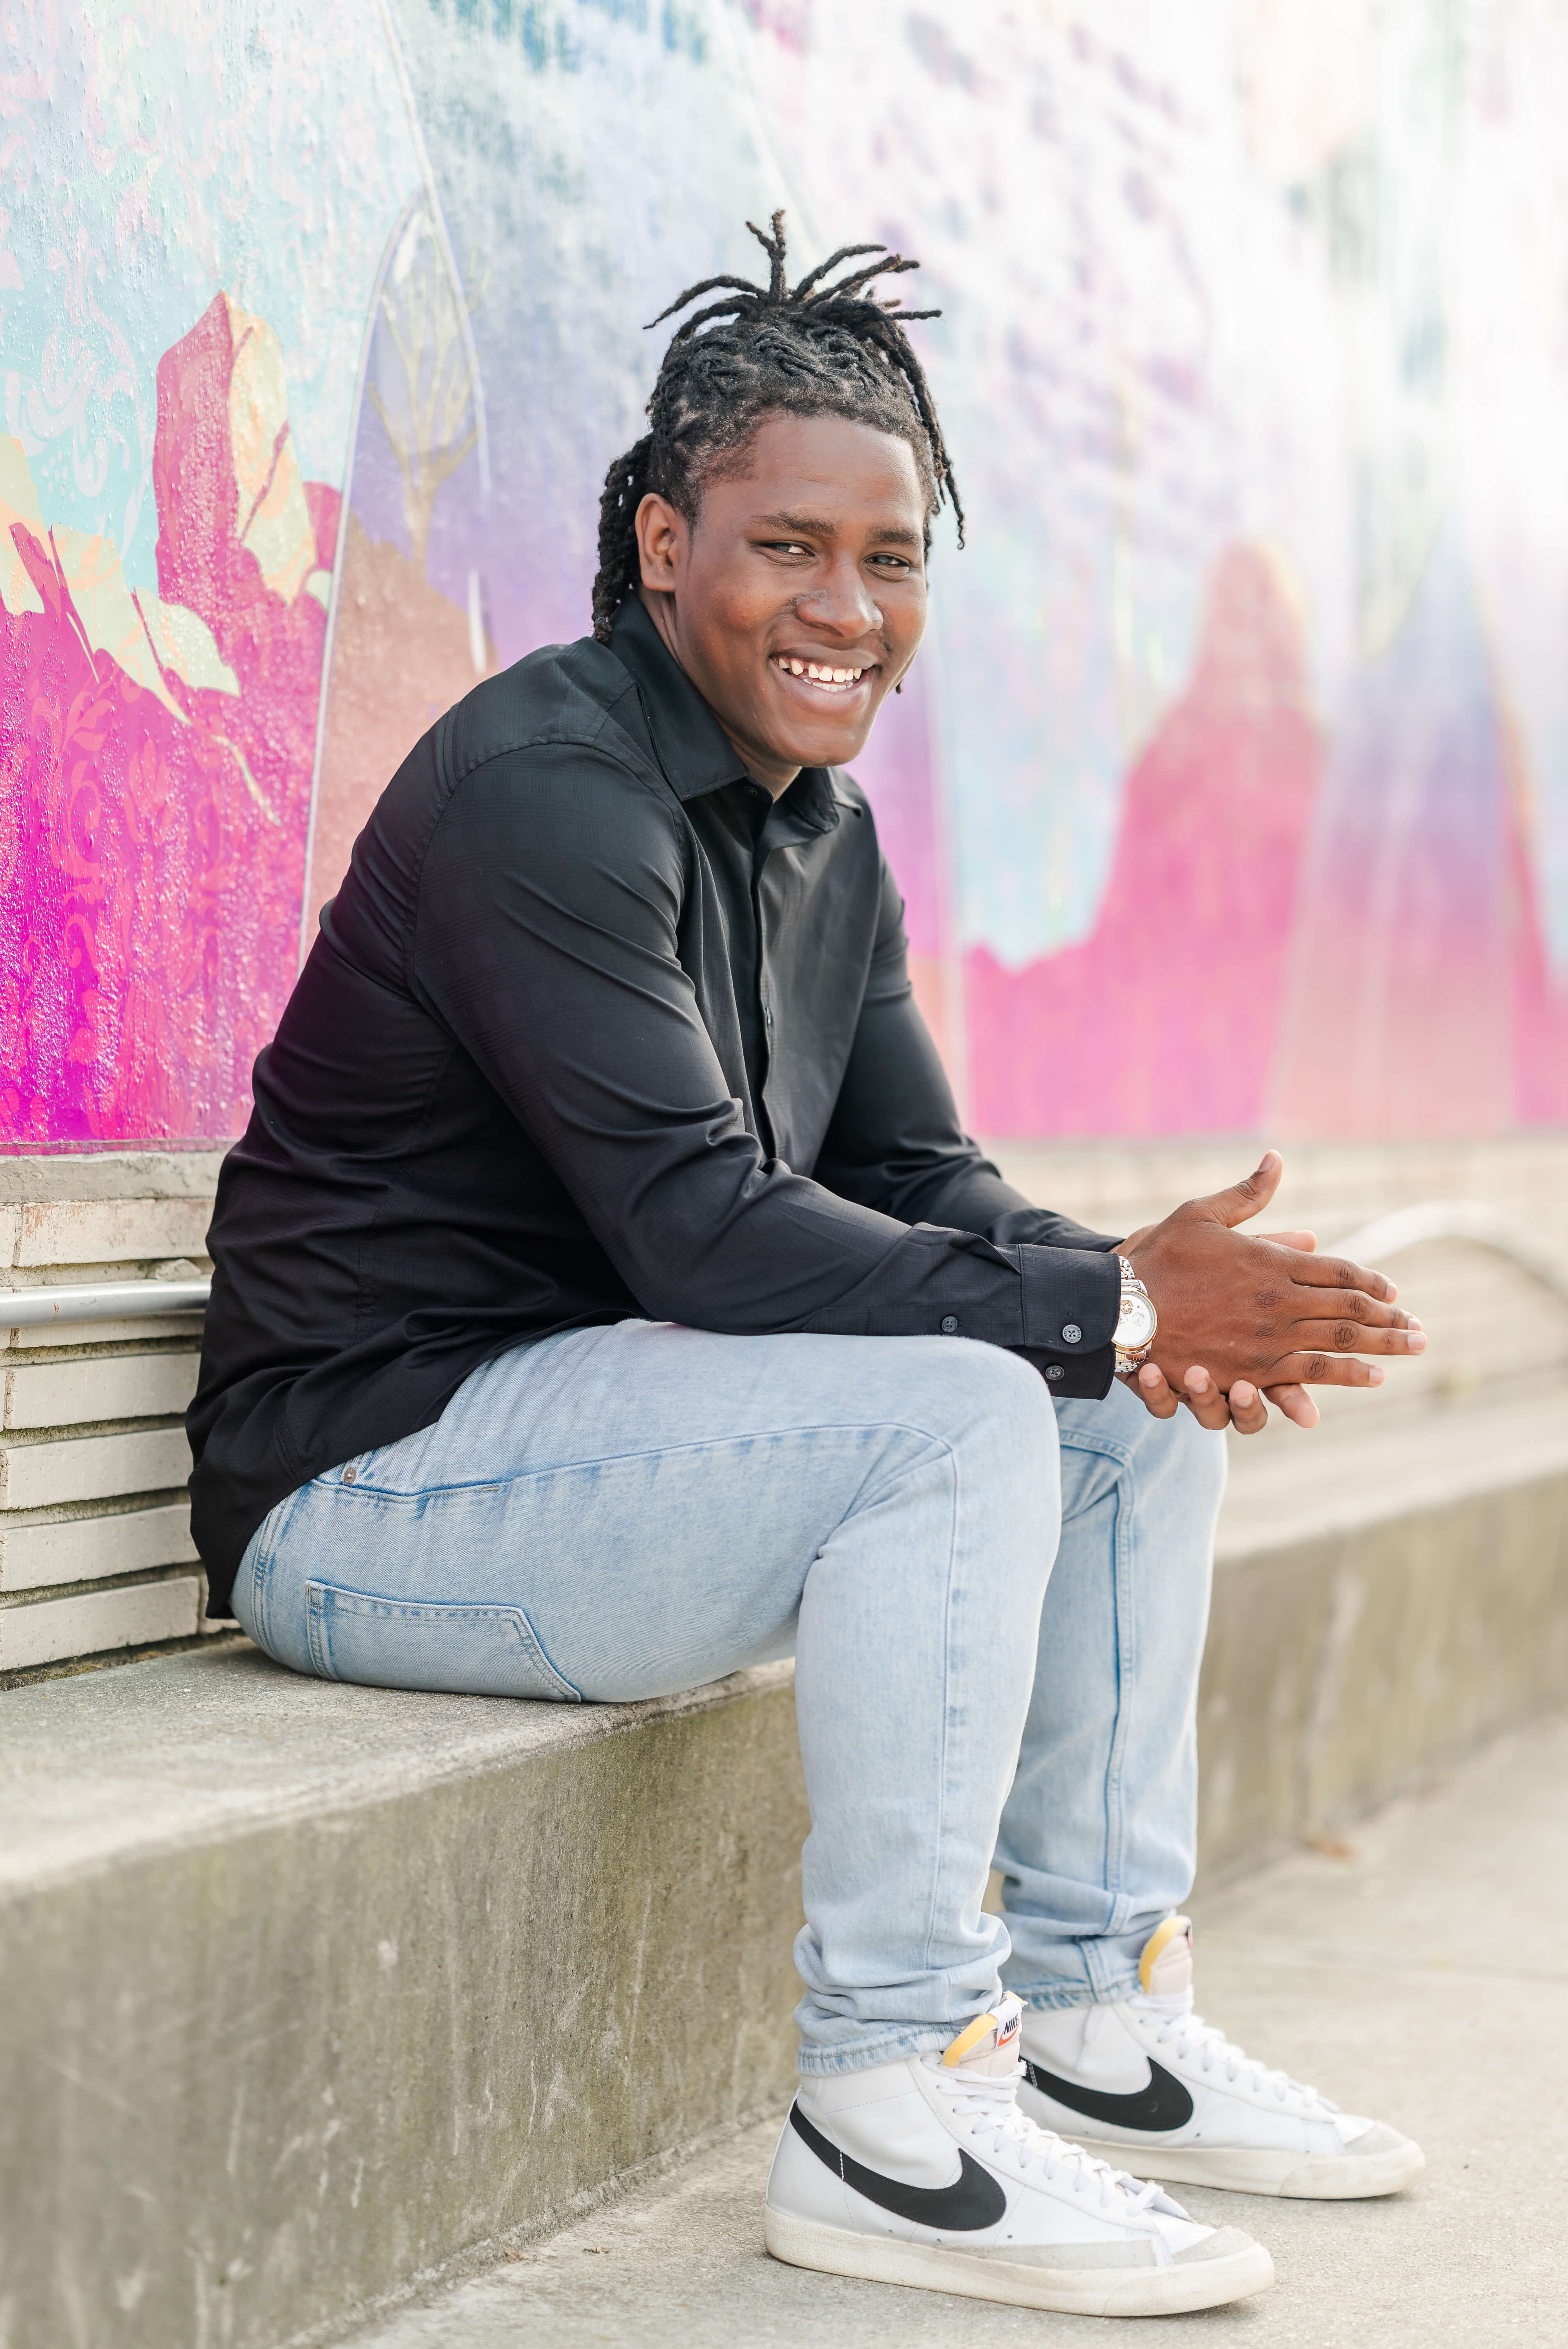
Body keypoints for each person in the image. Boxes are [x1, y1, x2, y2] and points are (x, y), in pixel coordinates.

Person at [189, 214, 1427, 2320]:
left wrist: (1141, 1296)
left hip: (612, 1457)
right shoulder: (544, 791)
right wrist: (1118, 1299)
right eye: (789, 549)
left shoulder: (813, 831)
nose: (847, 609)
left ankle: (1099, 2027)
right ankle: (887, 2104)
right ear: (667, 542)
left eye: (894, 558)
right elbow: (699, 1224)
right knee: (994, 1390)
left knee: (1110, 1408)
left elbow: (923, 1172)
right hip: (366, 1495)